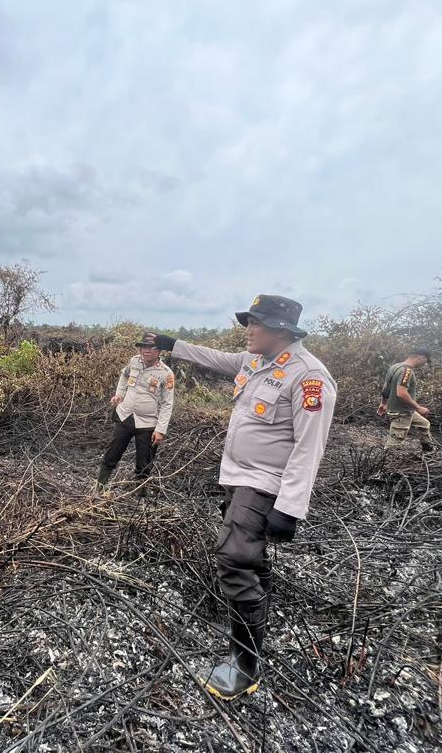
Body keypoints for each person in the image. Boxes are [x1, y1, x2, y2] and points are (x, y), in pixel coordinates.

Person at [149, 294, 336, 700]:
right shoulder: (257, 361)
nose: (248, 330)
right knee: (250, 557)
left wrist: (289, 509)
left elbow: (310, 448)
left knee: (233, 558)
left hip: (266, 483)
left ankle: (245, 665)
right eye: (248, 322)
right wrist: (172, 344)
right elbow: (216, 358)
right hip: (239, 477)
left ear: (282, 331)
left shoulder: (309, 378)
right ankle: (256, 616)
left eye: (256, 323)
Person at [95, 333, 176, 493]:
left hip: (148, 424)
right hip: (125, 416)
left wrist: (161, 430)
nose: (147, 351)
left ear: (160, 351)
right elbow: (124, 377)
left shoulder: (166, 373)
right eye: (144, 347)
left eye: (152, 348)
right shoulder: (134, 361)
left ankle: (140, 499)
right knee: (112, 455)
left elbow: (167, 403)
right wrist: (119, 394)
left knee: (144, 463)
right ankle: (98, 489)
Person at [378, 348, 434, 451]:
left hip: (407, 411)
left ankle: (428, 452)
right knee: (393, 445)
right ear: (421, 357)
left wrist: (383, 403)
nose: (424, 364)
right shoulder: (407, 371)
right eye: (425, 361)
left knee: (424, 425)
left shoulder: (394, 367)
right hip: (401, 413)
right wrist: (418, 407)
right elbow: (401, 393)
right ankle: (384, 463)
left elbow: (385, 388)